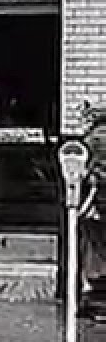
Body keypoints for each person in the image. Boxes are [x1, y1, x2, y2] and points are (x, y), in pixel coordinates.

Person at [80, 102, 106, 317]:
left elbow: (88, 170)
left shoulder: (93, 138)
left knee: (95, 245)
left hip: (98, 200)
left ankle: (95, 296)